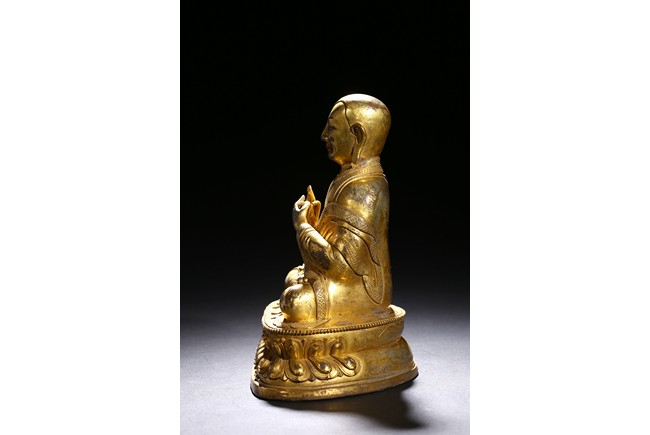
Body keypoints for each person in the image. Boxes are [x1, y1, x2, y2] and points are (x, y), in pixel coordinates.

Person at [280, 94, 394, 324]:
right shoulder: (348, 178)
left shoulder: (366, 187)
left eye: (331, 128)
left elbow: (338, 265)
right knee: (292, 277)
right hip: (340, 280)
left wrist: (302, 226)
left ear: (358, 136)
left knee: (294, 303)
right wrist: (314, 224)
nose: (324, 135)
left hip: (361, 291)